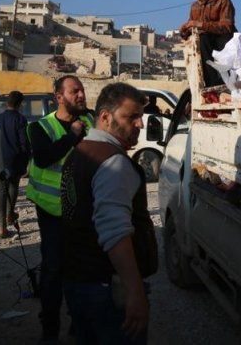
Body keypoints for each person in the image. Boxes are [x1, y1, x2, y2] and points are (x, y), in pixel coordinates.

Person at [61, 83, 158, 344]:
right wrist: (134, 290)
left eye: (140, 116)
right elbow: (114, 232)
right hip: (106, 288)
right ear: (105, 117)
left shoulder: (79, 152)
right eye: (131, 117)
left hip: (79, 282)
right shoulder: (113, 162)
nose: (140, 124)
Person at [26, 75, 95, 342]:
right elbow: (44, 158)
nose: (81, 95)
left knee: (82, 269)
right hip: (52, 211)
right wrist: (73, 134)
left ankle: (79, 322)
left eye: (82, 90)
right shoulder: (40, 127)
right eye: (74, 91)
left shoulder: (91, 121)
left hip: (83, 211)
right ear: (59, 97)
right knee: (53, 270)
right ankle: (50, 327)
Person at [179, 0, 236, 87]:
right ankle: (211, 84)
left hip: (223, 43)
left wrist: (201, 25)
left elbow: (227, 26)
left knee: (218, 39)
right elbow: (192, 28)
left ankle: (228, 79)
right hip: (207, 45)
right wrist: (184, 31)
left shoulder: (224, 1)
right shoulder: (195, 6)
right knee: (202, 39)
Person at [0, 90, 30, 238]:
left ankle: (1, 227)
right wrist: (26, 160)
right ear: (20, 103)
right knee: (13, 187)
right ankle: (10, 216)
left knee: (1, 191)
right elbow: (24, 142)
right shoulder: (20, 119)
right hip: (15, 161)